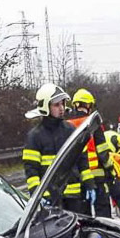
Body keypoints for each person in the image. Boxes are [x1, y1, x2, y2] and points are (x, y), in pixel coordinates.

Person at [23, 83, 96, 214]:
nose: (62, 108)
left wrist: (89, 184)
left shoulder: (71, 130)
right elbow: (31, 170)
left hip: (75, 197)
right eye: (56, 105)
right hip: (50, 199)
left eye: (62, 104)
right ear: (45, 106)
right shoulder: (34, 136)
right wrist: (37, 195)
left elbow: (82, 161)